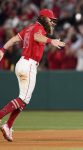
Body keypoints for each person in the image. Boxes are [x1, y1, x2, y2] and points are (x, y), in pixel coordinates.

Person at [0, 9, 65, 142]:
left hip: (22, 64)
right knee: (23, 98)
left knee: (24, 99)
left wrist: (2, 49)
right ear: (43, 18)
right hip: (28, 65)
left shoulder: (29, 28)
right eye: (50, 20)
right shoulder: (38, 28)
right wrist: (51, 41)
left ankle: (8, 125)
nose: (52, 23)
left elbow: (13, 39)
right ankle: (2, 117)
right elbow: (37, 37)